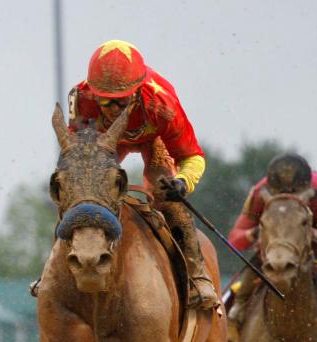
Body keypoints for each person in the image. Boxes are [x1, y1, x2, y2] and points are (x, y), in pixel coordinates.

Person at [65, 40, 217, 308]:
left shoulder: (162, 106)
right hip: (104, 143)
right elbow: (77, 154)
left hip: (154, 140)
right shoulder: (82, 99)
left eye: (120, 102)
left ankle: (197, 274)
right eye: (104, 100)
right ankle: (56, 270)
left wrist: (182, 182)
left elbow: (192, 156)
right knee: (80, 191)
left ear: (136, 93)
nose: (111, 109)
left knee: (165, 195)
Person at [227, 154, 317, 342]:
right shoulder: (259, 192)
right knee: (248, 271)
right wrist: (257, 232)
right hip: (272, 251)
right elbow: (235, 240)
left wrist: (313, 234)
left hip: (315, 251)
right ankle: (237, 310)